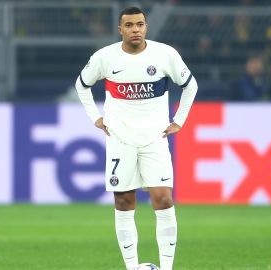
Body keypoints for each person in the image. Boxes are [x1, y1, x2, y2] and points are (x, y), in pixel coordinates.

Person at [74, 6, 198, 270]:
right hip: (121, 139)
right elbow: (82, 85)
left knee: (163, 199)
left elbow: (190, 85)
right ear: (120, 29)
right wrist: (95, 117)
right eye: (129, 25)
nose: (135, 30)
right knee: (123, 201)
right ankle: (132, 267)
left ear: (146, 27)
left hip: (155, 139)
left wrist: (179, 121)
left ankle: (166, 268)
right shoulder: (105, 57)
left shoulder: (165, 54)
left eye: (140, 24)